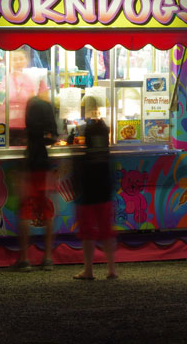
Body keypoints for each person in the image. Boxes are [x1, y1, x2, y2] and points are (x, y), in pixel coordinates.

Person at [9, 96, 57, 271]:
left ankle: (24, 259)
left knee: (25, 211)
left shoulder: (31, 112)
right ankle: (48, 258)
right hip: (43, 164)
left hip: (30, 164)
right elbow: (52, 138)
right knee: (47, 210)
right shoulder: (45, 110)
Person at [73, 96, 117, 280]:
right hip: (104, 184)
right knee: (106, 230)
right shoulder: (105, 128)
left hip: (88, 186)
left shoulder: (86, 130)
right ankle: (111, 270)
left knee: (88, 231)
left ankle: (89, 270)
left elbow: (76, 147)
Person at [5, 47, 50, 147]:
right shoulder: (5, 80)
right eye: (15, 59)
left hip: (27, 127)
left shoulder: (32, 79)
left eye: (21, 59)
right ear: (9, 61)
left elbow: (44, 101)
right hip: (8, 127)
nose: (18, 62)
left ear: (26, 61)